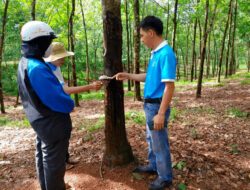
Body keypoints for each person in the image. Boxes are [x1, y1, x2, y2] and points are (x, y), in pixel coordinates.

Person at [114, 16, 177, 190]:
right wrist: (128, 76)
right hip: (150, 105)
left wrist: (161, 113)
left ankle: (165, 177)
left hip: (157, 106)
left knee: (159, 141)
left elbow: (169, 87)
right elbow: (149, 78)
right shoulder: (155, 53)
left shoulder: (166, 54)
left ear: (151, 32)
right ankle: (154, 166)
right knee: (151, 139)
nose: (141, 39)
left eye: (142, 35)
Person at [17, 21, 74, 190]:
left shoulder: (25, 62)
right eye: (48, 41)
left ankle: (46, 186)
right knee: (54, 164)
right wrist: (70, 103)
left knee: (43, 156)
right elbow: (57, 99)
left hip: (40, 121)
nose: (50, 45)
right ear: (39, 41)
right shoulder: (37, 68)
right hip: (52, 123)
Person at [44, 42, 103, 166]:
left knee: (65, 131)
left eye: (64, 57)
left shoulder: (56, 67)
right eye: (60, 58)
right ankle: (57, 165)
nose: (63, 60)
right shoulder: (46, 69)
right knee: (56, 137)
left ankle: (64, 158)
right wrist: (90, 86)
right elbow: (65, 90)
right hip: (50, 110)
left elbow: (63, 87)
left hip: (60, 107)